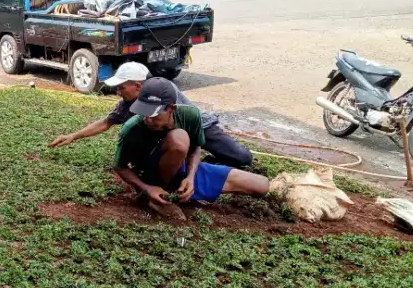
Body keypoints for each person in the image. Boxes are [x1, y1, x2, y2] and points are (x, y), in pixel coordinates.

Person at [48, 62, 253, 168]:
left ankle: (209, 159)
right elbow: (106, 122)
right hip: (175, 138)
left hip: (201, 128)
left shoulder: (163, 90)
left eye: (121, 87)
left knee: (242, 158)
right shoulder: (127, 103)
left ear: (138, 86)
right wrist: (73, 136)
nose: (118, 92)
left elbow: (178, 124)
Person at [114, 78, 270, 213]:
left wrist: (190, 178)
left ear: (171, 108)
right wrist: (147, 188)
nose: (147, 120)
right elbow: (120, 167)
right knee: (179, 137)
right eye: (143, 112)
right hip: (151, 176)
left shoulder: (191, 116)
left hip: (182, 169)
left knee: (262, 185)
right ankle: (158, 196)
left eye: (154, 115)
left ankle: (181, 189)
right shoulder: (131, 128)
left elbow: (195, 147)